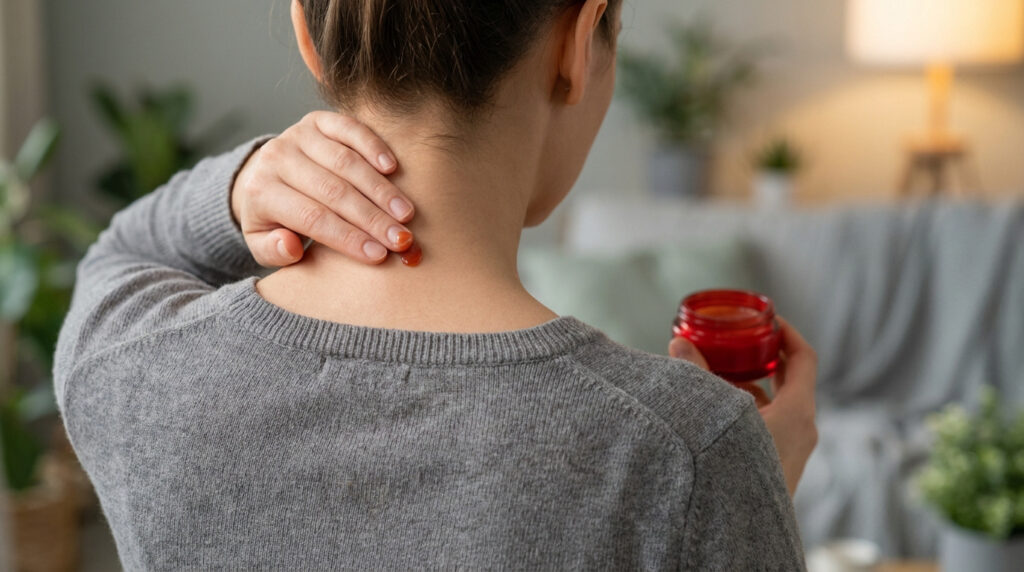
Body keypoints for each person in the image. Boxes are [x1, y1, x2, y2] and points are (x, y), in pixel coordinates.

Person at [54, 1, 817, 569]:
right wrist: (738, 496)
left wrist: (236, 186)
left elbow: (119, 251)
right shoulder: (683, 450)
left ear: (308, 37)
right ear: (578, 42)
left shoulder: (131, 367)